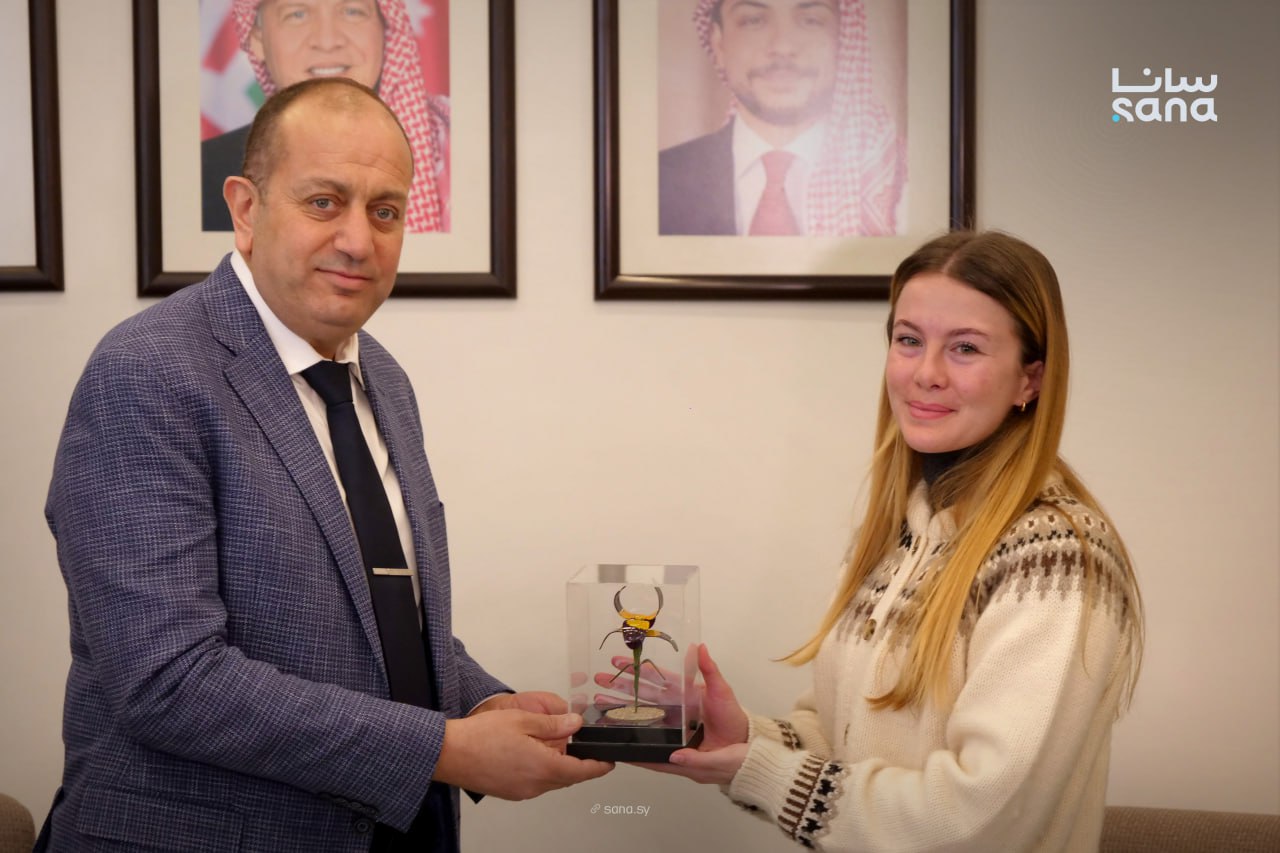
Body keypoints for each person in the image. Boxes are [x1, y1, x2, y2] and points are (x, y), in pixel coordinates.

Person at [41, 77, 610, 852]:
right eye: (323, 202)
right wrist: (444, 749)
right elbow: (167, 679)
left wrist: (482, 706)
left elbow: (381, 622)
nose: (358, 240)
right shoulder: (147, 371)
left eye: (385, 211)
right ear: (245, 209)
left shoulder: (384, 378)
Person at [618, 231, 1145, 850]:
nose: (926, 374)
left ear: (1030, 379)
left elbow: (985, 819)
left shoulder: (1056, 557)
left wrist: (760, 772)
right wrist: (745, 739)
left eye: (966, 348)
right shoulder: (905, 532)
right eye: (908, 340)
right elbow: (846, 738)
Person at [659, 0, 905, 237]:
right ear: (719, 44)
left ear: (843, 40)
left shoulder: (900, 179)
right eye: (753, 20)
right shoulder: (658, 182)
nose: (783, 46)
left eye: (810, 20)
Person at [201, 0, 450, 233]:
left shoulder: (454, 150)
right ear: (257, 38)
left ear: (385, 30)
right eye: (297, 14)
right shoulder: (206, 171)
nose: (328, 41)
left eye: (352, 12)